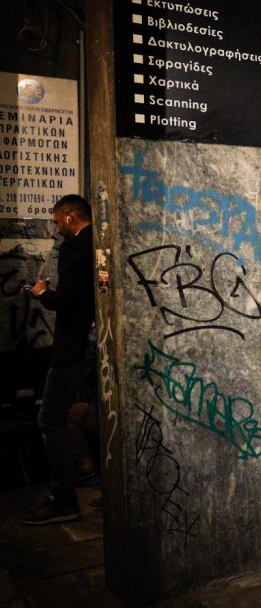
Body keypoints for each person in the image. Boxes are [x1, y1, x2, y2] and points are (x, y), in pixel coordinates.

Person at [21, 195, 95, 525]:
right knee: (103, 415)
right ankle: (107, 484)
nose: (55, 227)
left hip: (74, 346)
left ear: (69, 216)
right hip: (96, 342)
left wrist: (41, 293)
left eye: (55, 221)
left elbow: (65, 301)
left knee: (50, 418)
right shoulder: (100, 242)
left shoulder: (74, 247)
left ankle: (64, 500)